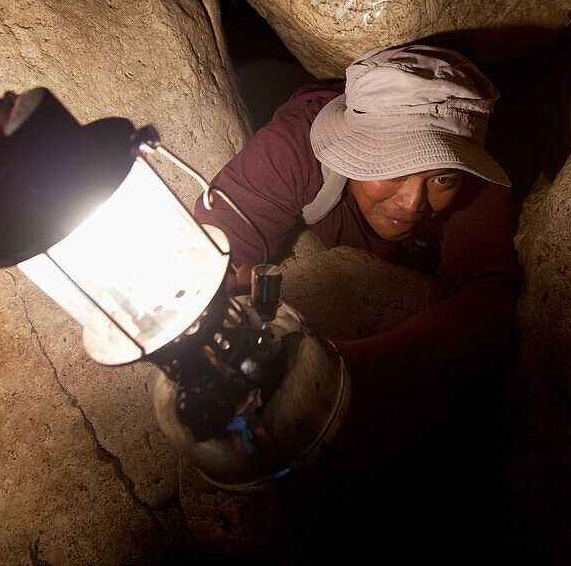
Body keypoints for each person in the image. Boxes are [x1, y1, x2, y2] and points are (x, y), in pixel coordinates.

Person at [192, 43, 521, 444]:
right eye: (394, 169)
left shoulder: (480, 176)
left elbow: (488, 304)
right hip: (266, 74)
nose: (412, 203)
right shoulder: (296, 145)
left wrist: (335, 370)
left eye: (442, 178)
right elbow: (209, 257)